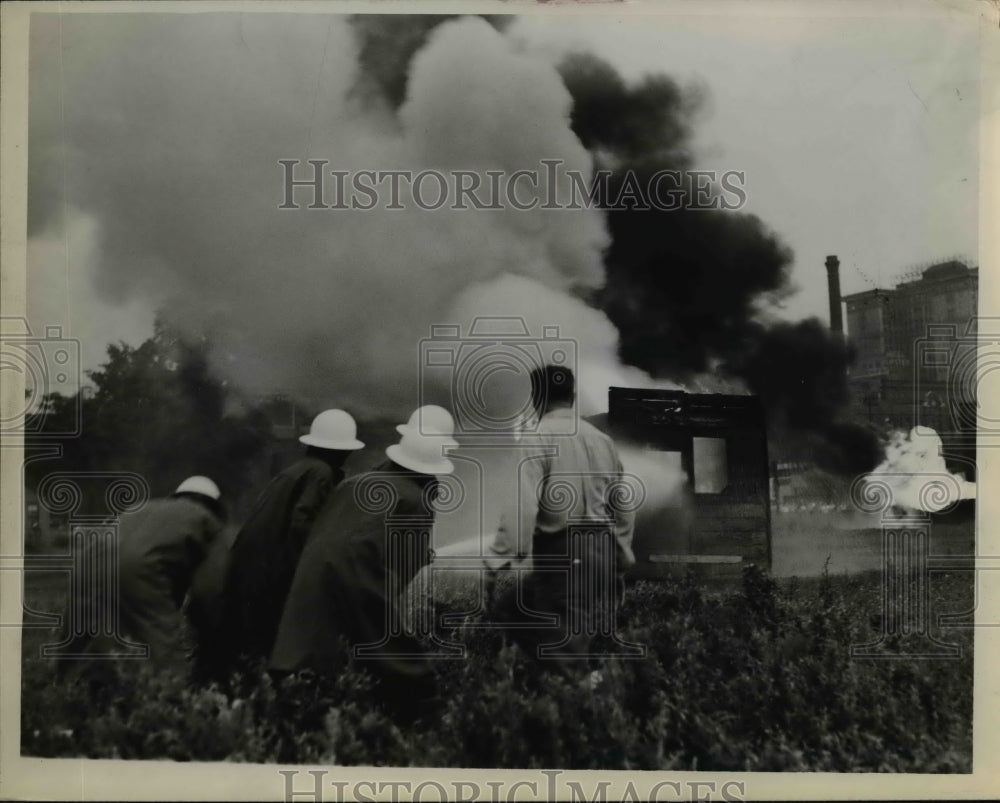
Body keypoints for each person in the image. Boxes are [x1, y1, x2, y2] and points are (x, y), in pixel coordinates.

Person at [269, 412, 457, 720]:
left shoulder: (354, 485)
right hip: (347, 623)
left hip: (295, 642)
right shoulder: (413, 501)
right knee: (416, 689)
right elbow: (389, 580)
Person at [484, 365, 636, 683]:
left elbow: (522, 504)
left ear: (536, 398)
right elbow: (623, 505)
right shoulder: (602, 441)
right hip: (600, 549)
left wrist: (501, 556)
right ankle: (564, 676)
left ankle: (581, 695)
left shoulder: (537, 438)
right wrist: (620, 554)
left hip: (564, 552)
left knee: (564, 643)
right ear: (574, 396)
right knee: (511, 609)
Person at [219, 409, 365, 665]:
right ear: (341, 450)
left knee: (242, 654)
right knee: (268, 652)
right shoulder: (320, 474)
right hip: (268, 576)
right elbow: (303, 525)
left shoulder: (297, 470)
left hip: (246, 570)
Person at [113, 475, 227, 668]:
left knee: (99, 648)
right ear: (213, 506)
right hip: (139, 570)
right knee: (165, 661)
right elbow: (210, 591)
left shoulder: (143, 508)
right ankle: (168, 695)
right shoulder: (206, 520)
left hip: (88, 565)